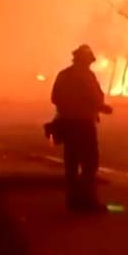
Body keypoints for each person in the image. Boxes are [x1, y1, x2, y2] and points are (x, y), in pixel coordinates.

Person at [50, 45, 112, 212]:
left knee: (71, 164)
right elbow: (95, 98)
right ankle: (88, 201)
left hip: (67, 124)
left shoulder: (63, 75)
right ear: (86, 60)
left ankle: (72, 202)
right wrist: (103, 108)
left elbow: (54, 97)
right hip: (84, 125)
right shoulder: (86, 75)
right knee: (89, 163)